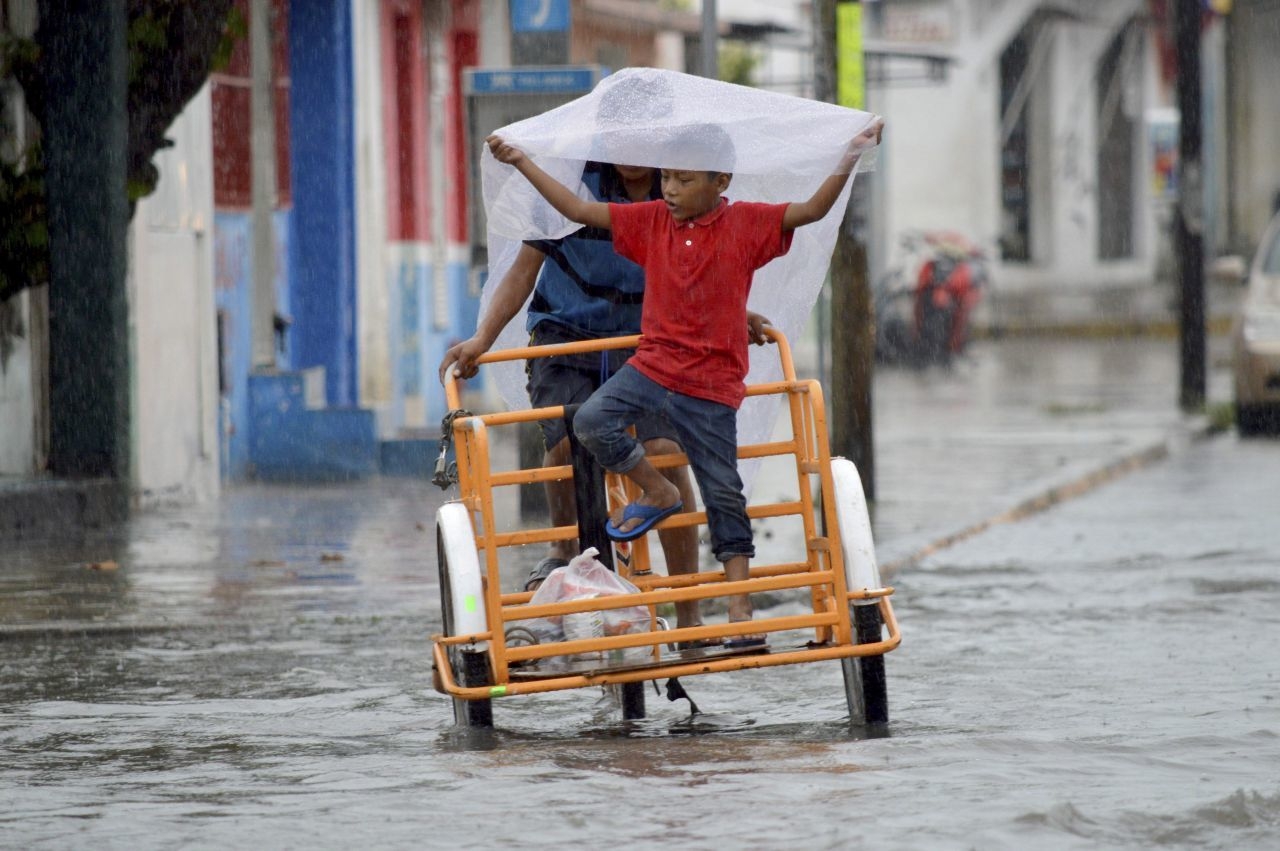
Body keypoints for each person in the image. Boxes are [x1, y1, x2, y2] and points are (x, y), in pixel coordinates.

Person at [485, 118, 883, 644]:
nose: (670, 189)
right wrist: (522, 162)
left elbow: (806, 213)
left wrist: (848, 156)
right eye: (666, 178)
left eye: (682, 180)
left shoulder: (744, 223)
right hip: (649, 364)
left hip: (712, 381)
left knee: (721, 489)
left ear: (720, 182)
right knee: (582, 428)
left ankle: (733, 611)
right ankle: (631, 506)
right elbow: (577, 212)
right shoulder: (649, 218)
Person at [439, 159, 771, 634]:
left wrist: (737, 311)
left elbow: (705, 263)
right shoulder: (573, 184)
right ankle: (565, 547)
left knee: (666, 452)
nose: (634, 156)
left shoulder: (679, 187)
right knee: (565, 445)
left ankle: (688, 607)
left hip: (653, 339)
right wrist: (481, 340)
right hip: (565, 334)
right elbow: (522, 272)